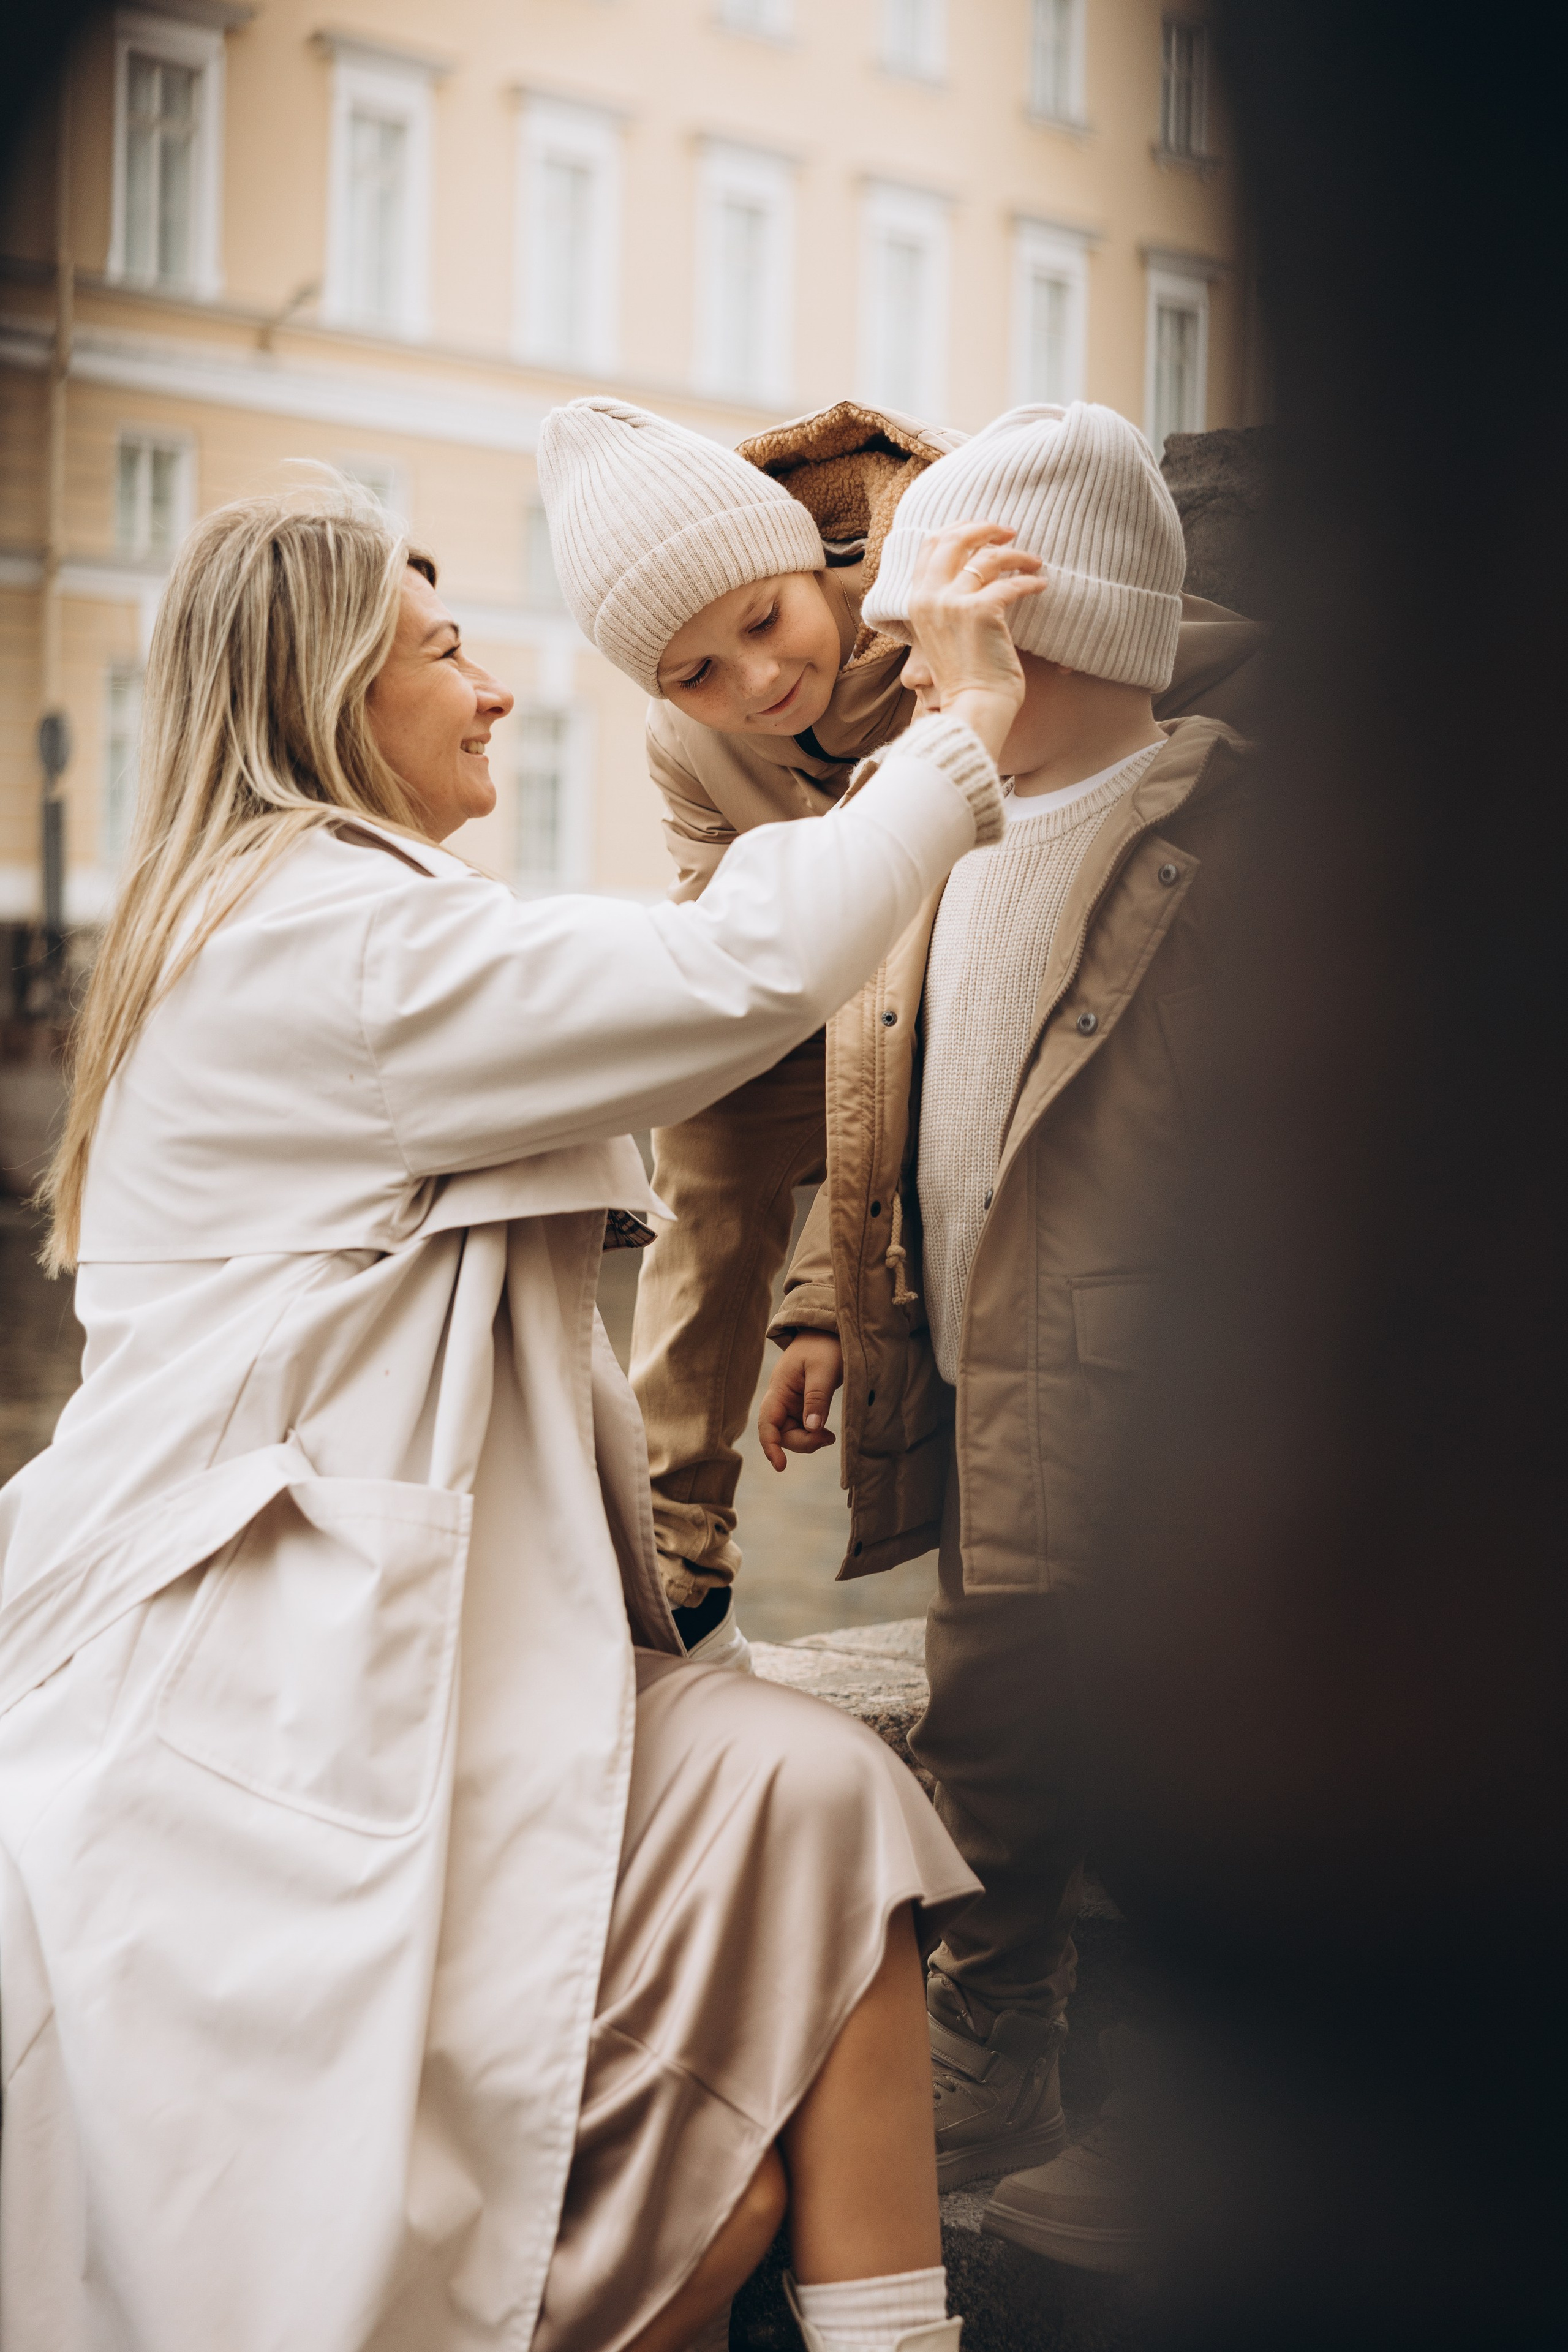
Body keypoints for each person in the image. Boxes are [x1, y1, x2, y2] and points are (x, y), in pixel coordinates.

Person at [0, 483, 1043, 2352]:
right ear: (335, 691)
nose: (493, 691)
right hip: (277, 1703)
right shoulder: (330, 947)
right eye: (445, 650)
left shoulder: (322, 922)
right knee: (694, 2210)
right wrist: (962, 732)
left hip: (403, 1660)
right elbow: (732, 973)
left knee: (819, 1790)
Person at [757, 403, 1256, 2271]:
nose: (899, 674)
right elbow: (874, 1083)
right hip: (984, 1376)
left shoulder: (1215, 834)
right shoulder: (944, 815)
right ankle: (1000, 2039)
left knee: (1183, 1741)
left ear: (1037, 628)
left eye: (933, 637)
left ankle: (1195, 2098)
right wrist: (824, 1297)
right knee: (998, 1724)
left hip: (1161, 1409)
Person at [538, 394, 1265, 1664]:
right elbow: (737, 953)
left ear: (810, 566)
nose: (755, 684)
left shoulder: (937, 591)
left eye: (763, 622)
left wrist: (832, 1290)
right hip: (820, 969)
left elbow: (1164, 640)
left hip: (971, 946)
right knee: (704, 1140)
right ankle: (667, 1536)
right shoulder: (685, 745)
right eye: (694, 675)